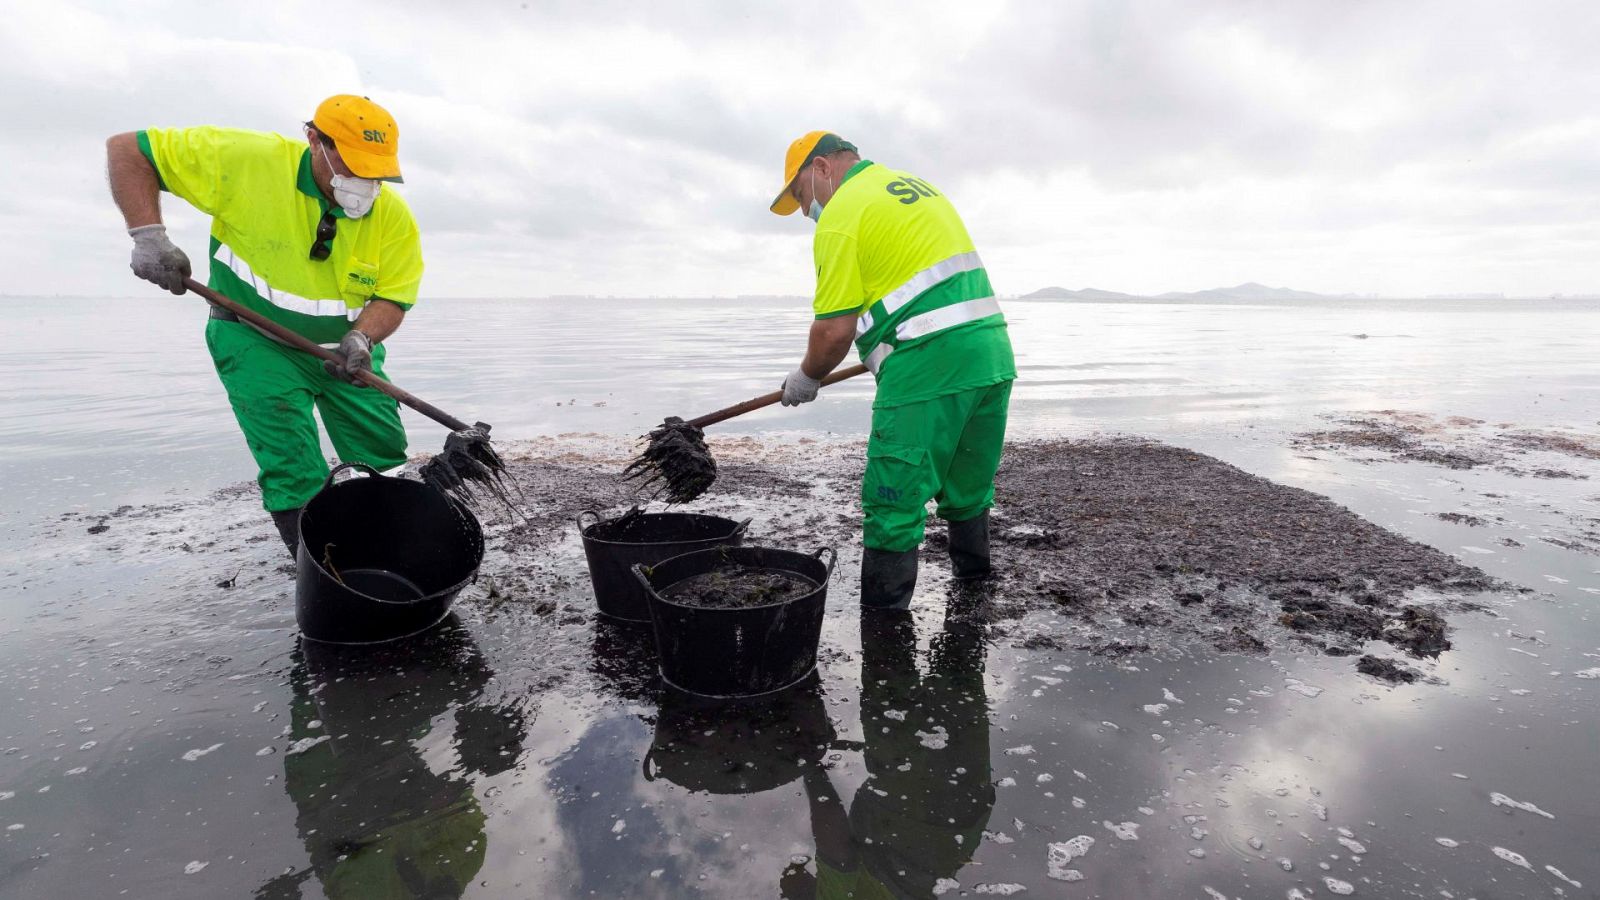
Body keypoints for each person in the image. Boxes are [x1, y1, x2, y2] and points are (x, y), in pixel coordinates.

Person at [105, 95, 425, 556]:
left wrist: (362, 337)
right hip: (255, 339)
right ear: (315, 140)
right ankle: (321, 571)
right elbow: (128, 150)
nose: (363, 182)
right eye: (353, 164)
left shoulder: (391, 216)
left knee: (384, 451)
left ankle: (392, 549)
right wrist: (147, 235)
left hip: (344, 351)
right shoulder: (248, 160)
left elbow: (393, 296)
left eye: (375, 172)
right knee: (291, 463)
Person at [771, 132, 1016, 609]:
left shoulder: (842, 215)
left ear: (820, 168)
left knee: (893, 502)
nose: (806, 213)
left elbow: (833, 333)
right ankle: (974, 599)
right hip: (990, 354)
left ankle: (885, 643)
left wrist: (806, 377)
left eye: (802, 197)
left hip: (928, 364)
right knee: (968, 488)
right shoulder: (913, 187)